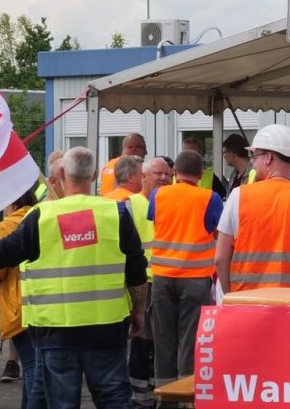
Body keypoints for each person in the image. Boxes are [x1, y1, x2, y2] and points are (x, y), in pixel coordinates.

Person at [0, 147, 148, 409]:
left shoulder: (40, 217)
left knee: (61, 402)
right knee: (114, 398)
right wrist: (138, 311)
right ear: (94, 174)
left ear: (61, 173)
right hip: (107, 327)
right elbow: (136, 271)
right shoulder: (116, 214)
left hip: (55, 331)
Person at [216, 124, 290, 294]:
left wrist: (230, 296)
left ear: (269, 158)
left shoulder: (238, 196)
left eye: (255, 156)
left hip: (247, 303)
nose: (253, 162)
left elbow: (220, 259)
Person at [147, 150, 223, 392]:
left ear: (174, 172)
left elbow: (156, 221)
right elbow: (218, 233)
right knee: (190, 340)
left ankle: (164, 393)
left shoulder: (158, 195)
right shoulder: (209, 198)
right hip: (195, 279)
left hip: (162, 277)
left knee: (163, 337)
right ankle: (186, 393)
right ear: (200, 175)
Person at [0, 190, 43, 408]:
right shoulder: (43, 216)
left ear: (11, 203)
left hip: (18, 304)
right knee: (36, 364)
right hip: (43, 300)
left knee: (30, 366)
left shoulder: (6, 226)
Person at [125, 155, 161, 409]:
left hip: (166, 281)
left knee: (161, 341)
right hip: (142, 284)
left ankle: (156, 389)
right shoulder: (132, 204)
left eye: (168, 174)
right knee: (141, 342)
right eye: (158, 174)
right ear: (143, 177)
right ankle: (140, 396)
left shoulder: (169, 203)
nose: (164, 178)